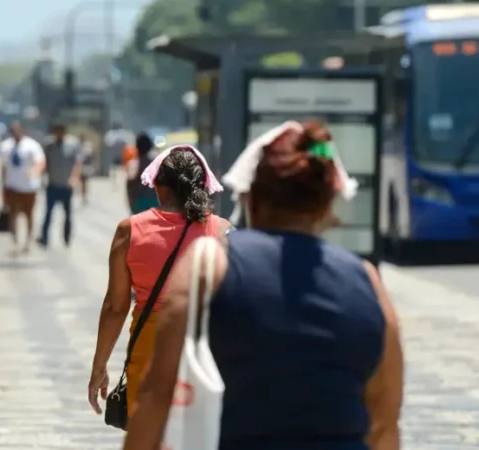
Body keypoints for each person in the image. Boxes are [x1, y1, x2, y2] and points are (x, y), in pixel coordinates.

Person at [121, 121, 404, 450]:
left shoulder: (208, 266)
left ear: (251, 197)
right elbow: (384, 423)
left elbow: (157, 395)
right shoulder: (368, 281)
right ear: (328, 205)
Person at [88, 145, 232, 418]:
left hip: (149, 350)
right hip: (205, 352)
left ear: (159, 186)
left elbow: (115, 307)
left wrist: (99, 367)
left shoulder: (129, 230)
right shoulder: (223, 231)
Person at [0, 121, 46, 253]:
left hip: (28, 187)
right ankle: (14, 241)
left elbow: (41, 162)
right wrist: (2, 186)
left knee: (29, 214)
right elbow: (3, 166)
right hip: (12, 186)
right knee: (12, 214)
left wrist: (34, 172)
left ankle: (27, 241)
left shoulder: (32, 145)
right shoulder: (5, 146)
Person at [38, 123, 82, 248]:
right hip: (52, 184)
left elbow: (77, 164)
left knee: (68, 213)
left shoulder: (72, 145)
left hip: (66, 185)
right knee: (48, 212)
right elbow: (44, 162)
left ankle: (67, 237)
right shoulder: (49, 146)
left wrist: (73, 179)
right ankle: (44, 237)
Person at [126, 132, 160, 214]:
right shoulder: (156, 163)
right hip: (155, 204)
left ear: (136, 147)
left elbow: (130, 184)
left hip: (138, 205)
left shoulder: (133, 164)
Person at [79, 133, 96, 205]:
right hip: (80, 166)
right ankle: (83, 195)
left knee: (85, 182)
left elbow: (91, 156)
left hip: (86, 166)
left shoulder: (87, 146)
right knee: (82, 182)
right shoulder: (77, 146)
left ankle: (84, 196)